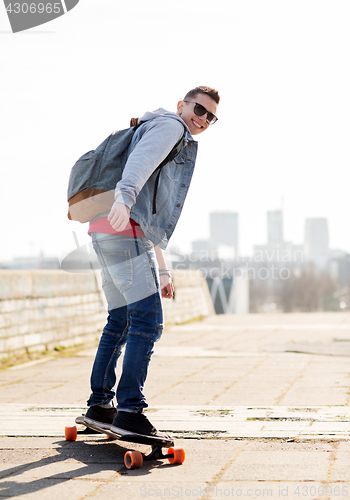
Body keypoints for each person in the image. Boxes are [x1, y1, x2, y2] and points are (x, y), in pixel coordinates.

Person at [83, 86, 220, 437]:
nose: (202, 119)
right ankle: (129, 410)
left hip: (108, 229)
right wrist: (124, 200)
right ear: (182, 105)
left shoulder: (156, 125)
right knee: (147, 322)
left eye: (210, 117)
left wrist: (162, 268)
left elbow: (152, 213)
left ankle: (100, 405)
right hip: (122, 228)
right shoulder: (171, 127)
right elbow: (139, 164)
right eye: (198, 109)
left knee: (121, 320)